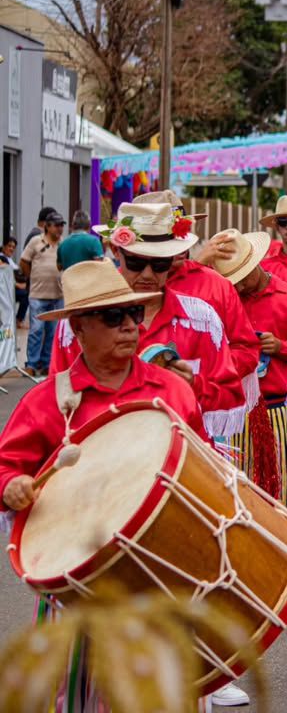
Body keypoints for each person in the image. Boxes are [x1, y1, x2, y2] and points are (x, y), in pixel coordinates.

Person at [0, 260, 206, 713]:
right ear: (79, 327)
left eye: (133, 314)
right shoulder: (47, 400)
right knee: (78, 699)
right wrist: (13, 484)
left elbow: (205, 471)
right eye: (114, 317)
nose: (131, 326)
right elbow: (6, 466)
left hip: (162, 575)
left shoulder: (173, 391)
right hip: (80, 580)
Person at [51, 202, 247, 443]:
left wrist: (193, 385)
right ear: (115, 250)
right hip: (100, 461)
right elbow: (54, 404)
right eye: (135, 262)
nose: (147, 274)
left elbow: (231, 396)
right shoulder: (79, 323)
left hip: (179, 463)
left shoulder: (202, 321)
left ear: (174, 259)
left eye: (159, 265)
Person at [212, 229, 287, 507]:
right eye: (233, 282)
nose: (238, 287)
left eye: (242, 279)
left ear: (256, 263)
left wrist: (281, 347)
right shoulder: (223, 300)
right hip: (234, 415)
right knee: (234, 499)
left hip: (279, 411)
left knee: (284, 496)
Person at [20, 209, 66, 376]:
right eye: (57, 225)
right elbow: (24, 262)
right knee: (36, 330)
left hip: (57, 295)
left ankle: (47, 363)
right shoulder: (35, 241)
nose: (60, 229)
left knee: (52, 332)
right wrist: (31, 277)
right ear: (47, 226)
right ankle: (31, 364)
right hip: (38, 295)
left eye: (62, 225)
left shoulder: (63, 244)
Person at [1, 238, 29, 328]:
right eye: (9, 246)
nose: (11, 249)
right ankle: (19, 320)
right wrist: (18, 285)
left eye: (13, 247)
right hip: (5, 291)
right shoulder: (2, 259)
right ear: (4, 246)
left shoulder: (9, 259)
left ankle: (19, 319)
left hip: (10, 289)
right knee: (26, 295)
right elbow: (3, 278)